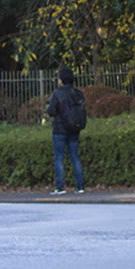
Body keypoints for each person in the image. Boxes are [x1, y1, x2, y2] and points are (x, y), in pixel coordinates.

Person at [46, 67, 86, 195]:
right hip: (75, 129)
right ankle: (80, 187)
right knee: (75, 157)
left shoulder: (57, 93)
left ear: (61, 80)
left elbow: (51, 111)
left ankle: (60, 188)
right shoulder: (78, 93)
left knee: (59, 159)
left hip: (59, 130)